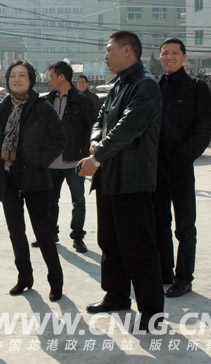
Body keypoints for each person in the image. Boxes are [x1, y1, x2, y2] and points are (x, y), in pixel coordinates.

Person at [78, 31, 164, 332]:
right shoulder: (118, 84)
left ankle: (152, 312)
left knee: (138, 248)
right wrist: (94, 141)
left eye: (109, 49)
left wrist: (97, 156)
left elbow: (129, 128)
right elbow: (101, 119)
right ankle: (116, 295)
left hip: (133, 180)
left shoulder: (146, 85)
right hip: (110, 178)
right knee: (110, 242)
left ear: (127, 50)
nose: (105, 56)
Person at [0, 60, 66, 302]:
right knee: (16, 233)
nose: (16, 79)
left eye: (22, 75)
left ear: (30, 80)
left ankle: (56, 281)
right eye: (13, 76)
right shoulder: (0, 108)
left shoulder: (42, 108)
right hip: (7, 179)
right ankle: (25, 277)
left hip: (35, 180)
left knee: (43, 234)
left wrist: (40, 162)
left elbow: (59, 140)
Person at [153, 38, 211, 297]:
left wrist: (183, 156)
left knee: (185, 227)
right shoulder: (154, 87)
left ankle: (184, 278)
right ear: (160, 57)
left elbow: (204, 129)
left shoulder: (197, 88)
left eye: (175, 53)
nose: (169, 57)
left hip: (180, 168)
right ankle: (164, 271)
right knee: (159, 223)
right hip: (156, 168)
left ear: (184, 57)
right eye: (165, 53)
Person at [31, 61, 96, 253]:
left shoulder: (82, 101)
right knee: (50, 200)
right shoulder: (46, 101)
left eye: (51, 76)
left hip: (74, 160)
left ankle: (78, 237)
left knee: (78, 201)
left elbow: (92, 127)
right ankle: (50, 234)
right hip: (51, 161)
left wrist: (88, 153)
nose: (48, 80)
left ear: (62, 78)